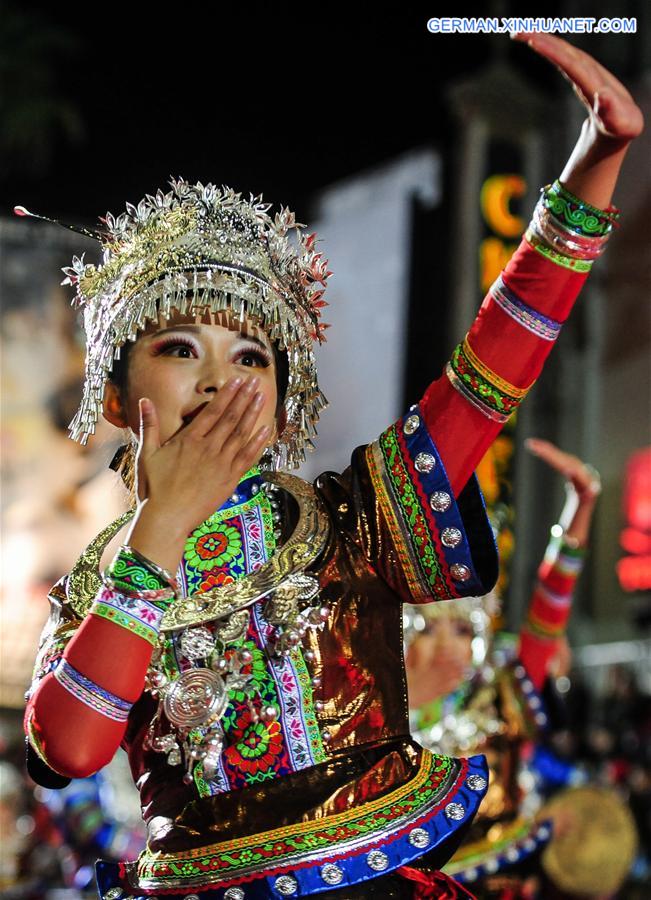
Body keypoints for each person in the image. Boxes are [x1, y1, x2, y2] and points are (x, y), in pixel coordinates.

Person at [22, 34, 643, 900]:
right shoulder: (98, 584)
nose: (219, 377)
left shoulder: (347, 519)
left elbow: (482, 384)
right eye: (179, 347)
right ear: (121, 402)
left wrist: (591, 165)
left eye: (251, 357)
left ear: (279, 402)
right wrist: (159, 531)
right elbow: (71, 747)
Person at [405, 440, 603, 896]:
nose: (447, 645)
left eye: (463, 629)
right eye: (431, 627)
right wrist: (408, 702)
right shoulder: (367, 701)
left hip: (497, 878)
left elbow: (549, 609)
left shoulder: (501, 687)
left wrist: (582, 504)